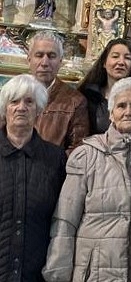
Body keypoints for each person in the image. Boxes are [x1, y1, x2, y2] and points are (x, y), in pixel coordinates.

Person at [42, 77, 131, 281]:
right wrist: (58, 272)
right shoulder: (86, 155)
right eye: (121, 105)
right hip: (94, 271)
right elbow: (66, 219)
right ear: (111, 113)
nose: (128, 111)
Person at [0, 74, 66, 280]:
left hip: (36, 271)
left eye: (29, 102)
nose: (21, 107)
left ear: (39, 109)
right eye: (14, 101)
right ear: (5, 109)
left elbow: (60, 216)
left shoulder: (55, 158)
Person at [27, 30, 90, 154]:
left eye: (51, 56)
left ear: (60, 61)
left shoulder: (75, 101)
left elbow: (78, 147)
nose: (44, 63)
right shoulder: (13, 93)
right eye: (39, 55)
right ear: (29, 60)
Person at [78, 38, 131, 134]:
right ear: (104, 62)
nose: (121, 62)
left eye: (127, 58)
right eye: (115, 56)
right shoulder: (88, 96)